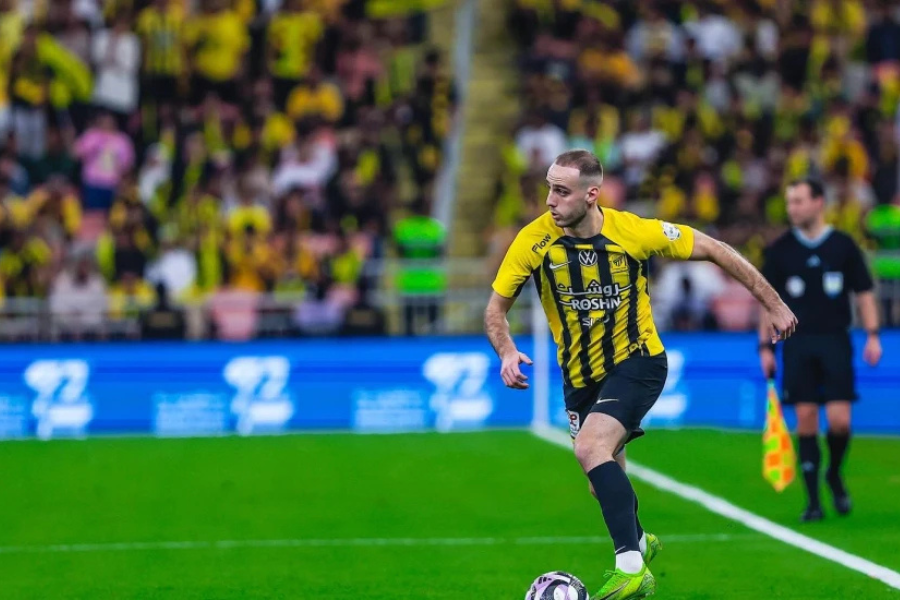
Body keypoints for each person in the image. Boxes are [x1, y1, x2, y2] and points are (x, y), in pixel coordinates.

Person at [484, 150, 797, 599]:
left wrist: (774, 304)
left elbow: (715, 248)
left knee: (590, 448)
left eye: (561, 191)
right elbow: (495, 309)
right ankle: (640, 540)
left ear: (592, 195)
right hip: (580, 377)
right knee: (601, 481)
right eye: (549, 188)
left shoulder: (634, 232)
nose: (550, 200)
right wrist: (506, 351)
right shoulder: (533, 241)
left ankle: (630, 568)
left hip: (638, 361)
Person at [759, 178, 882, 523]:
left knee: (840, 421)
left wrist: (873, 335)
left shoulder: (843, 245)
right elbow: (766, 303)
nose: (792, 208)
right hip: (797, 343)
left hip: (835, 340)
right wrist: (764, 346)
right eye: (789, 202)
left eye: (798, 201)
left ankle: (834, 473)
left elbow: (864, 292)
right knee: (807, 418)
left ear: (818, 203)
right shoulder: (781, 250)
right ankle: (813, 500)